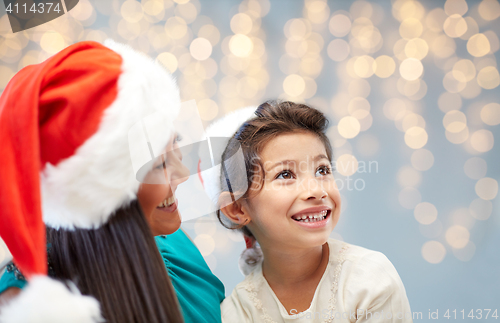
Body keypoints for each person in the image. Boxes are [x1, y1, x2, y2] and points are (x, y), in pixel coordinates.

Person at [0, 40, 225, 323]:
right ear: (99, 197)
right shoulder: (32, 311)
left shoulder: (174, 245)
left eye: (175, 144)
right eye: (161, 164)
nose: (182, 173)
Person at [211, 101, 413, 322]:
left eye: (322, 170)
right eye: (285, 175)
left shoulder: (369, 279)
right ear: (237, 208)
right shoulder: (236, 313)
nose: (316, 190)